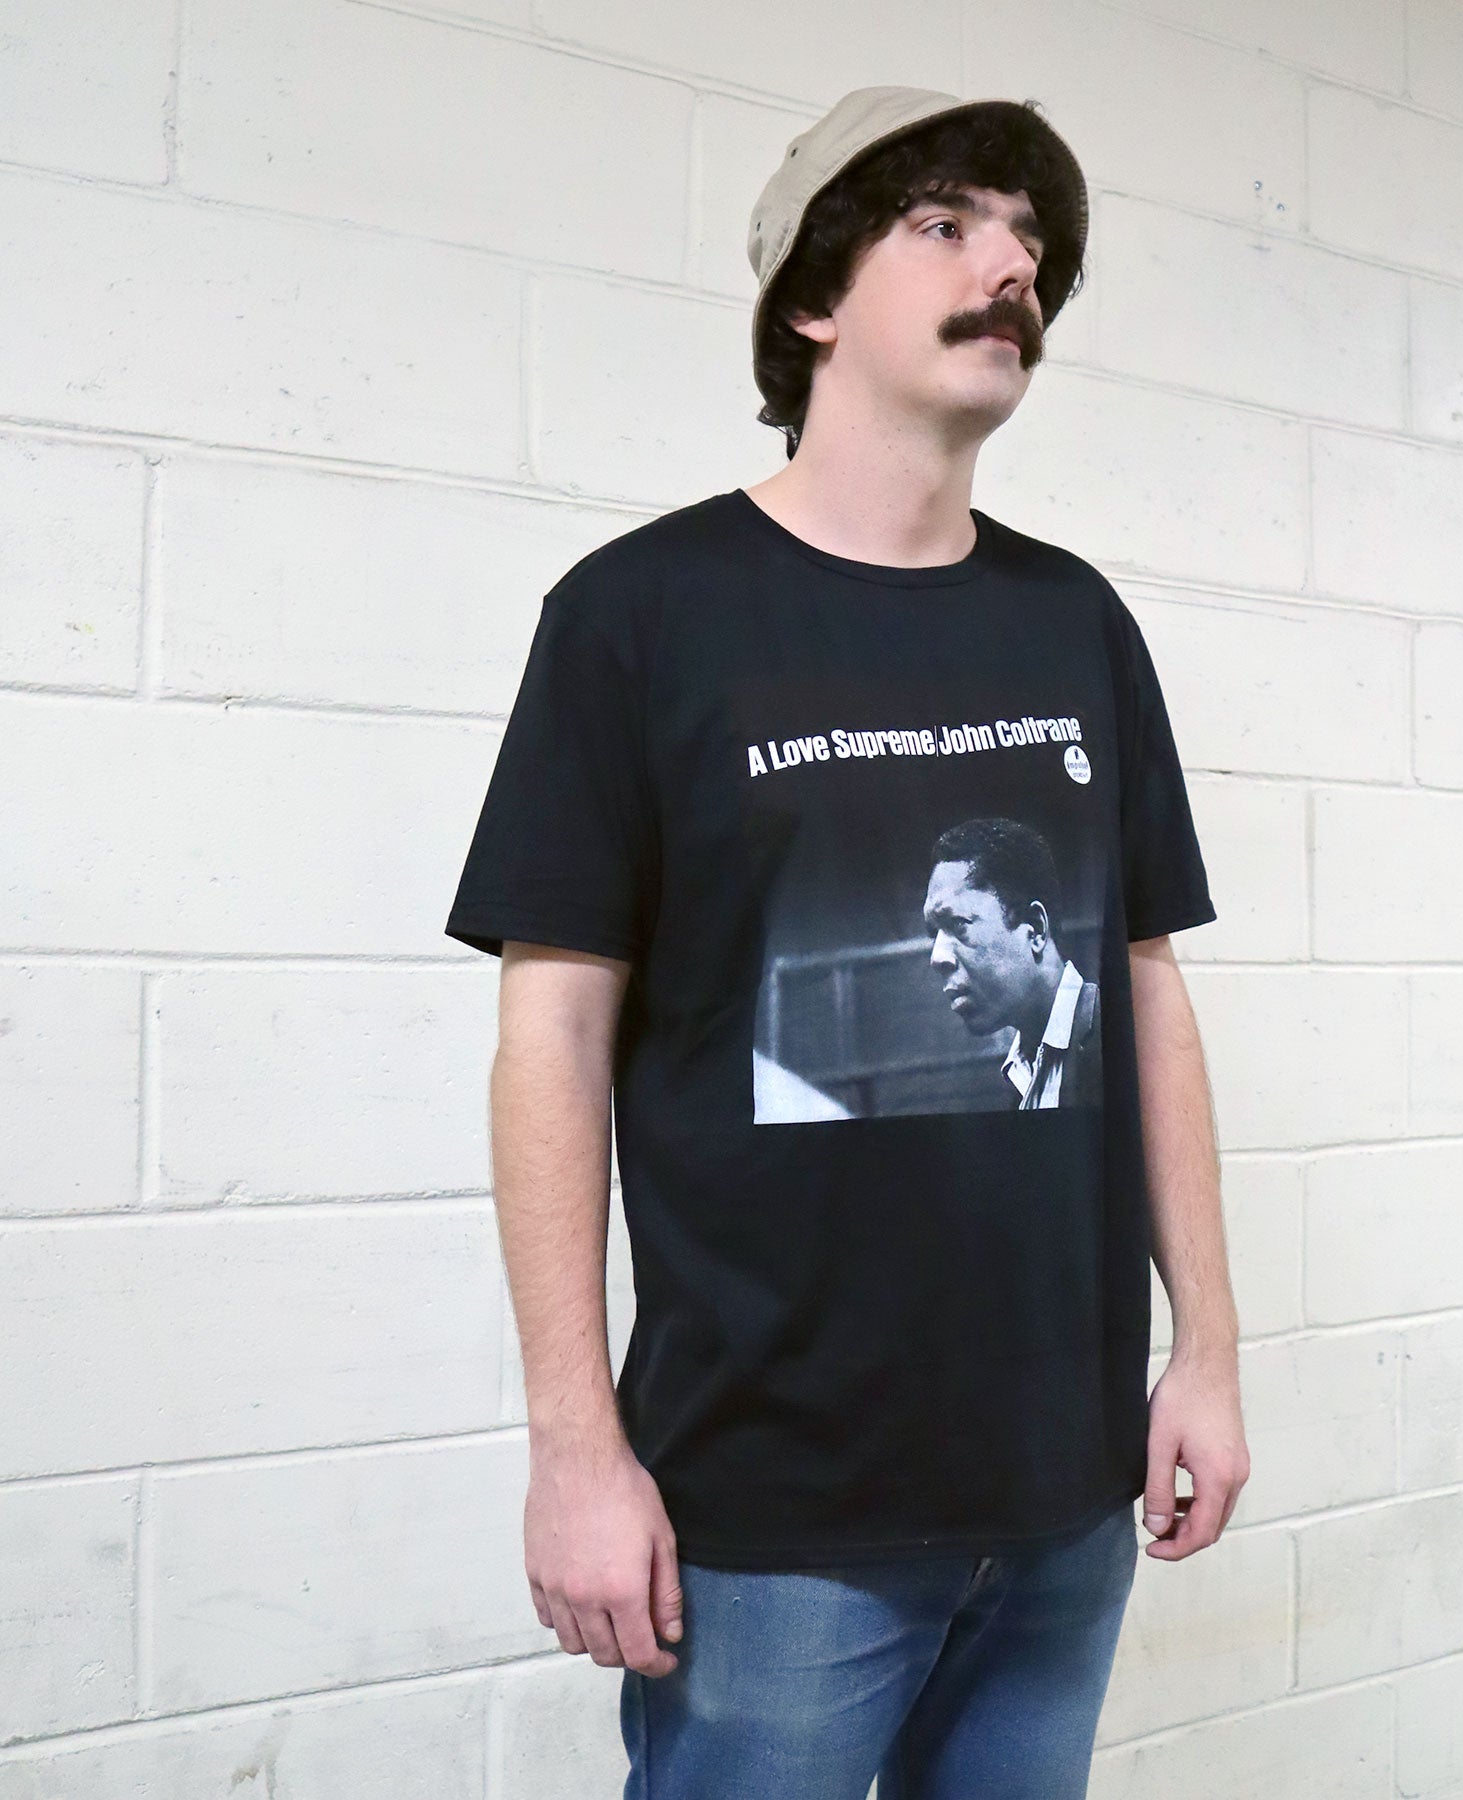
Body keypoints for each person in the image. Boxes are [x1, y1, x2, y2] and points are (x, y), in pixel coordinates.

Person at [445, 84, 1249, 1800]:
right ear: (812, 299)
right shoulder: (641, 616)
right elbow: (552, 1040)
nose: (1011, 267)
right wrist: (576, 1450)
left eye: (1032, 245)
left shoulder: (1076, 622)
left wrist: (1209, 1351)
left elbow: (1149, 995)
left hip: (1065, 1492)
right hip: (772, 1523)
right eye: (947, 225)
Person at [922, 814, 1102, 1109]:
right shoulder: (1021, 1075)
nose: (937, 957)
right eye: (934, 933)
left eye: (958, 924)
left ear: (1036, 929)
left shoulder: (1118, 1040)